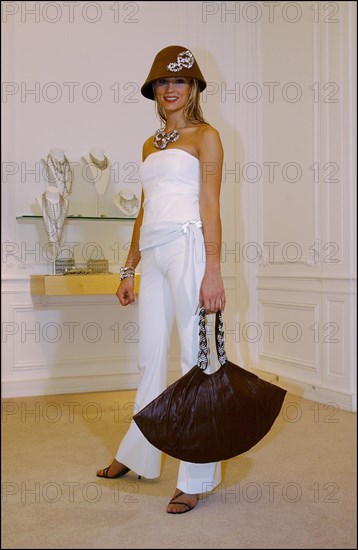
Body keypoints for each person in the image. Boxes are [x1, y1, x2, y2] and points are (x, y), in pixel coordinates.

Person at [96, 45, 226, 514]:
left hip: (190, 248)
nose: (171, 89)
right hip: (152, 254)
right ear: (155, 90)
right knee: (149, 356)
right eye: (163, 83)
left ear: (193, 88)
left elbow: (210, 206)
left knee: (196, 359)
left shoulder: (205, 137)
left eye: (180, 81)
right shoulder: (151, 145)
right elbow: (145, 209)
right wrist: (129, 267)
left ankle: (195, 475)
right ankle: (137, 453)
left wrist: (212, 271)